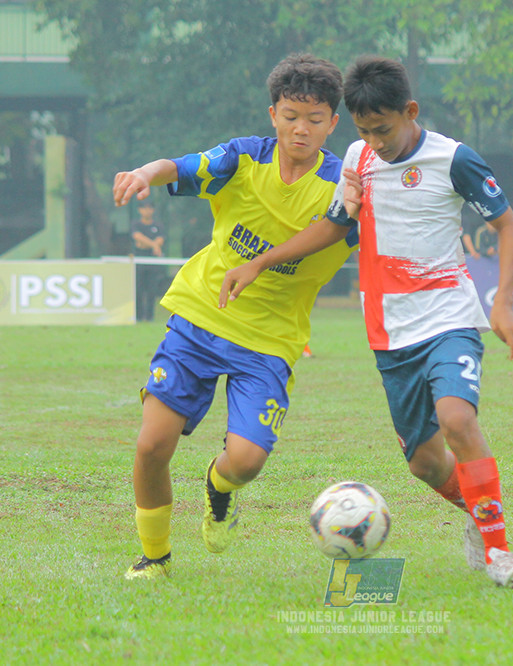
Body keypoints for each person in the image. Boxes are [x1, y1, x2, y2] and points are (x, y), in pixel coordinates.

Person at [221, 55, 513, 589]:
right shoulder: (357, 157)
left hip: (449, 316)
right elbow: (334, 226)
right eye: (365, 131)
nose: (376, 142)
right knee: (424, 463)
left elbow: (509, 228)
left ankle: (498, 550)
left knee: (458, 420)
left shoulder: (453, 159)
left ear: (410, 111)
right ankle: (478, 511)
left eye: (384, 129)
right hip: (389, 332)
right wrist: (260, 260)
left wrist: (502, 302)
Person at [112, 54, 354, 579]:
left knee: (245, 462)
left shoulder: (347, 186)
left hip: (268, 342)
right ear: (273, 114)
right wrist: (144, 173)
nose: (301, 129)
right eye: (291, 115)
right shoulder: (244, 159)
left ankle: (218, 490)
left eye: (315, 119)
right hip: (200, 317)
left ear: (333, 124)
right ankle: (155, 559)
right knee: (152, 444)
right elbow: (183, 166)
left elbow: (349, 230)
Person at [131, 200, 167, 322]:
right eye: (144, 208)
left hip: (153, 263)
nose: (147, 211)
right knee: (138, 290)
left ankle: (149, 317)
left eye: (150, 208)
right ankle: (138, 317)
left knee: (151, 290)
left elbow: (160, 240)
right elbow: (138, 239)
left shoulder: (158, 226)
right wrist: (154, 245)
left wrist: (150, 244)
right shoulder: (136, 225)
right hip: (139, 261)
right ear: (139, 210)